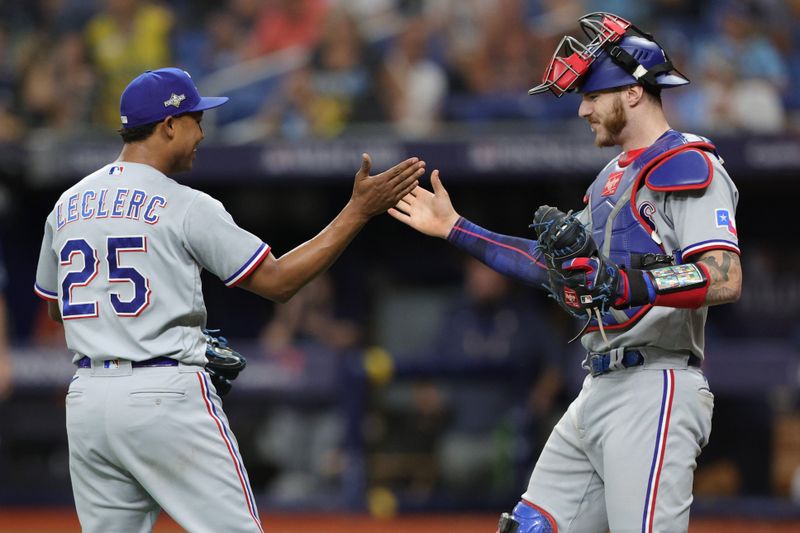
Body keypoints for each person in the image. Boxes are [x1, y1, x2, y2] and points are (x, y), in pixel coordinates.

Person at [389, 12, 742, 533]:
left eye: (591, 95)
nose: (581, 109)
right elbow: (554, 266)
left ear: (633, 93)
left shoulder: (690, 164)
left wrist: (625, 283)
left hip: (655, 385)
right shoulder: (609, 178)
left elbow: (722, 277)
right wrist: (455, 228)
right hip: (598, 383)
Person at [33, 67, 424, 532]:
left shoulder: (68, 203)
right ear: (169, 124)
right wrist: (357, 211)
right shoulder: (185, 203)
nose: (202, 132)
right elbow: (278, 282)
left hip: (88, 401)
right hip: (164, 393)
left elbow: (59, 309)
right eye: (196, 119)